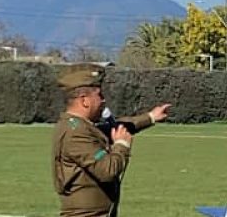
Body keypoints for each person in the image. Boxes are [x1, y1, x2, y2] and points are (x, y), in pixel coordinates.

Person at [51, 64, 171, 217]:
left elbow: (117, 127)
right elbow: (107, 169)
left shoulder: (81, 126)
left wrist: (151, 117)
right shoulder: (76, 133)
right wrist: (122, 146)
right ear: (84, 101)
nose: (103, 101)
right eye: (99, 96)